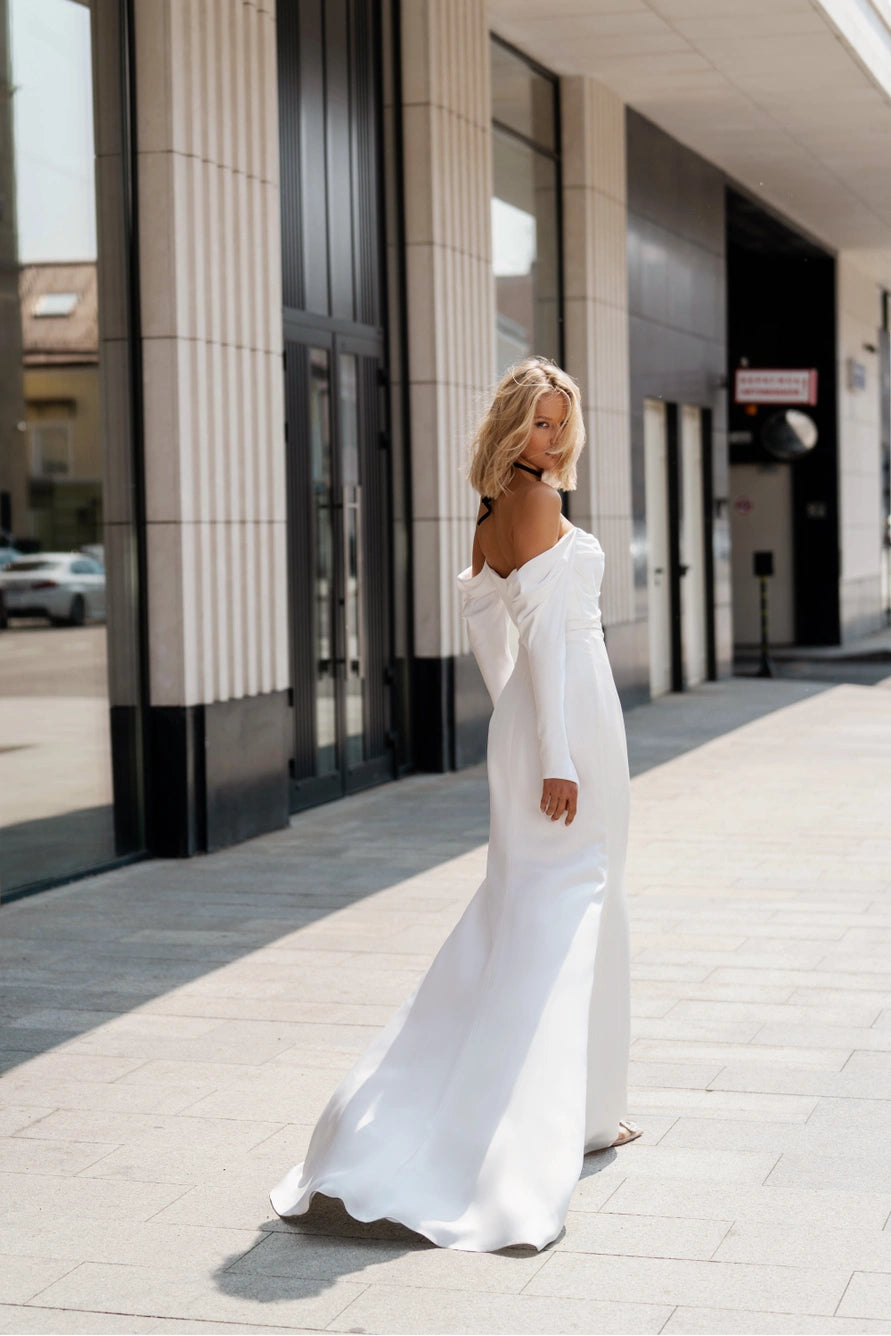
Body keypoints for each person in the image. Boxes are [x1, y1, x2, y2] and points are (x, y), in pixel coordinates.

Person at [270, 356, 639, 1252]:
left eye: (560, 422)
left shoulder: (488, 514)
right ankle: (552, 1128)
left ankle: (583, 1114)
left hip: (532, 726)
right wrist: (554, 755)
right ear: (513, 428)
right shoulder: (539, 505)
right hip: (570, 727)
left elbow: (485, 629)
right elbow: (549, 640)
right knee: (572, 908)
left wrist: (517, 729)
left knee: (532, 906)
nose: (553, 437)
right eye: (540, 424)